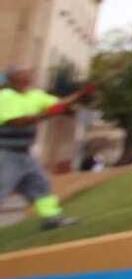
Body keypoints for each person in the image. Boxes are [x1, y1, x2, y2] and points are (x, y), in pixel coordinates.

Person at [0, 66, 94, 230]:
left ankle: (52, 218)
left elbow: (59, 104)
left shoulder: (35, 96)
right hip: (5, 154)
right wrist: (48, 114)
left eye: (28, 74)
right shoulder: (5, 98)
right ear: (12, 79)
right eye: (23, 74)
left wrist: (80, 95)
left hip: (24, 154)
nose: (28, 77)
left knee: (40, 185)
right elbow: (17, 122)